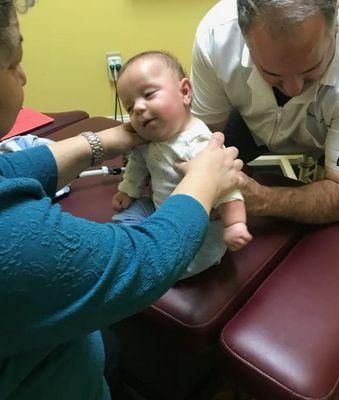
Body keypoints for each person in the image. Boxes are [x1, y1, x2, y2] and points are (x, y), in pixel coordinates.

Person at [0, 2, 244, 399]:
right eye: (13, 63)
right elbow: (141, 260)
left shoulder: (196, 136)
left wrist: (114, 138)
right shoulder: (11, 242)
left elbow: (10, 173)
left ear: (184, 92)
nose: (24, 74)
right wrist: (203, 179)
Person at [191, 0, 339, 224]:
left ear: (336, 24)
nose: (294, 90)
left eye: (310, 69)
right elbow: (202, 140)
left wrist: (260, 199)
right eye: (272, 73)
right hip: (250, 121)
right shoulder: (216, 36)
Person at [112, 51, 252, 278]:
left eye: (148, 94)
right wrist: (128, 189)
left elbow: (229, 188)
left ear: (184, 92)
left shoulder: (199, 143)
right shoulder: (151, 138)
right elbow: (138, 163)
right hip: (162, 214)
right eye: (129, 107)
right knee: (125, 218)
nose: (137, 109)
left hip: (194, 240)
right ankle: (131, 248)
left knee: (143, 252)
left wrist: (235, 224)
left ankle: (140, 262)